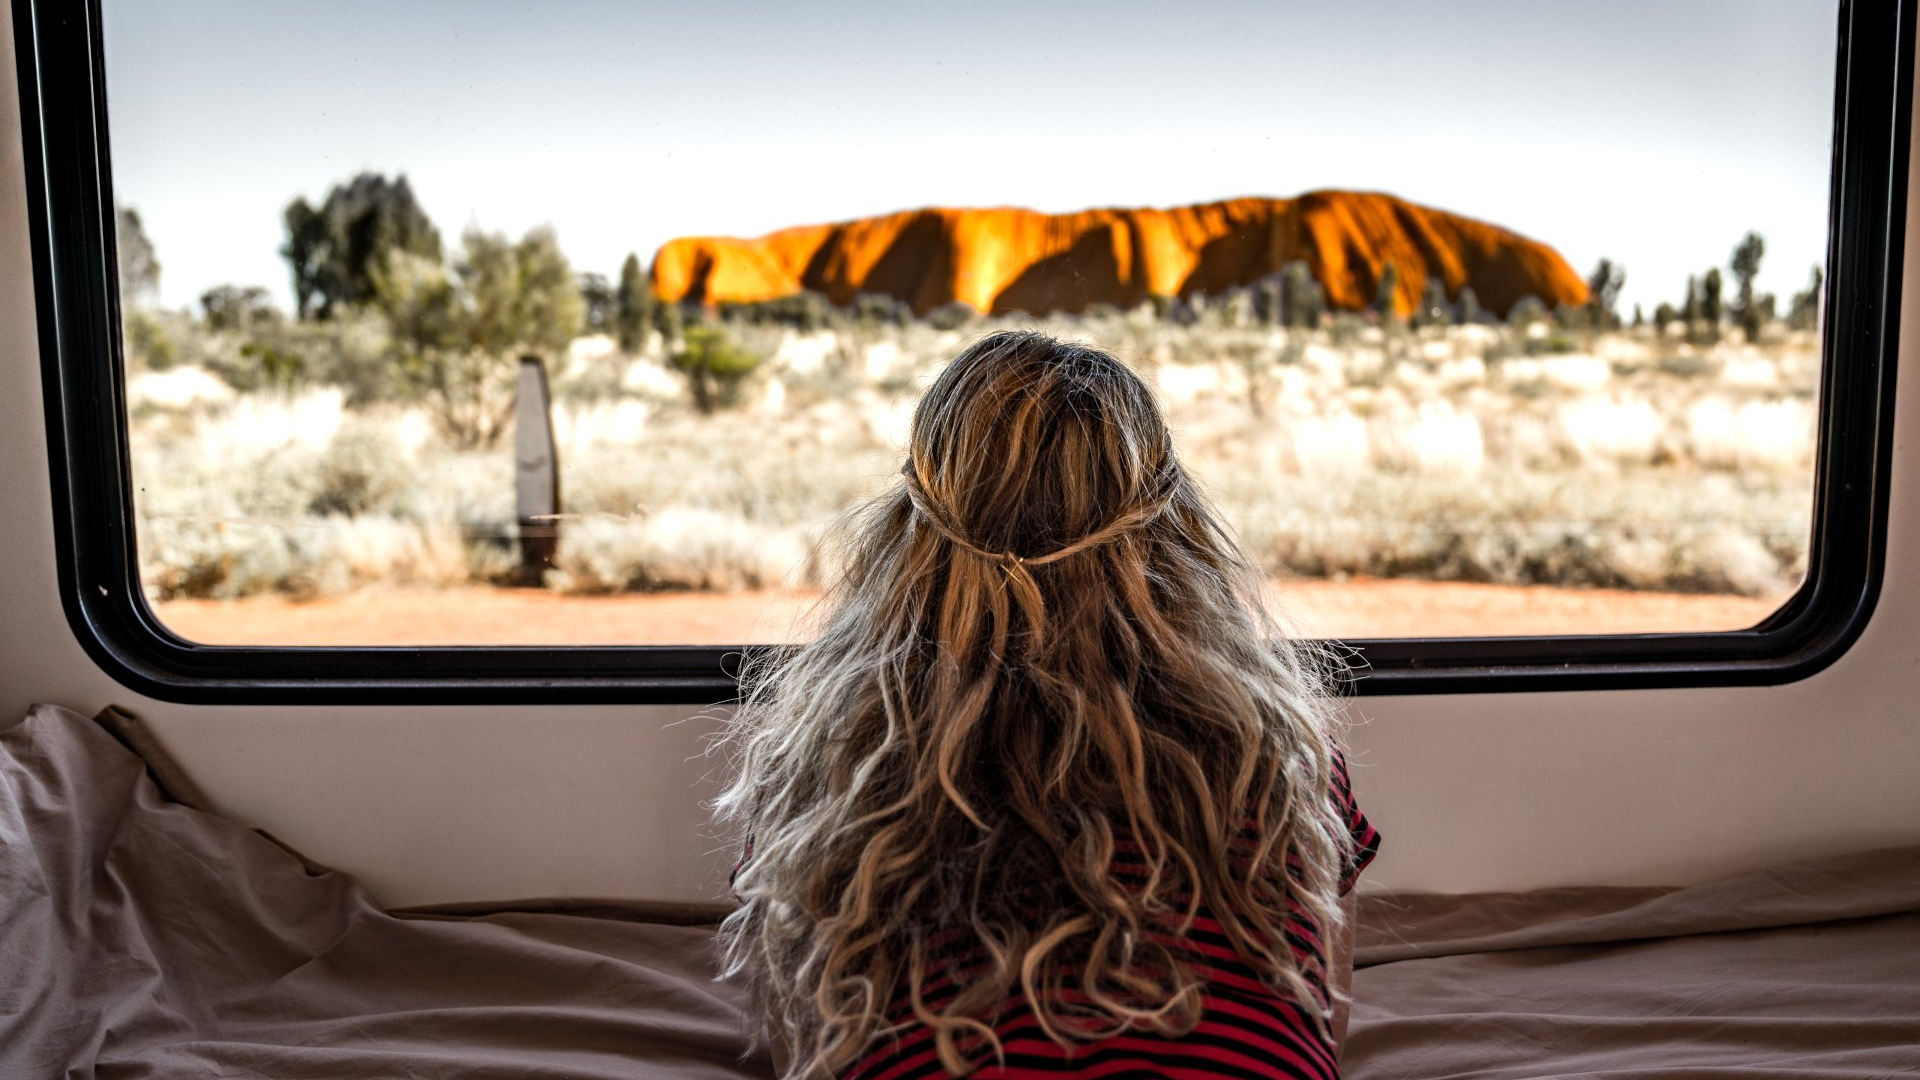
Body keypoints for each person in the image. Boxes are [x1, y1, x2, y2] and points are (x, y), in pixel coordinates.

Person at [715, 330, 1380, 1079]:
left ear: (907, 528)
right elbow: (1325, 1027)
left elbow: (796, 1048)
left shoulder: (825, 761)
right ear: (1175, 528)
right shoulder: (1280, 753)